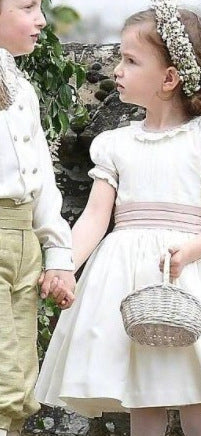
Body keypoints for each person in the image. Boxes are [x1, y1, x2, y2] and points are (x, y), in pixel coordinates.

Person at [35, 1, 201, 435]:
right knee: (142, 395)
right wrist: (64, 266)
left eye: (130, 60)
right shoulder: (115, 145)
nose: (117, 69)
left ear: (169, 78)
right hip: (126, 279)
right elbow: (96, 218)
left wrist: (188, 251)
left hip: (186, 275)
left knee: (196, 393)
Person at [0, 1, 76, 435]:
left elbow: (42, 181)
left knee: (23, 389)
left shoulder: (21, 86)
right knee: (4, 385)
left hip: (24, 241)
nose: (41, 20)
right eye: (27, 7)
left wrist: (58, 254)